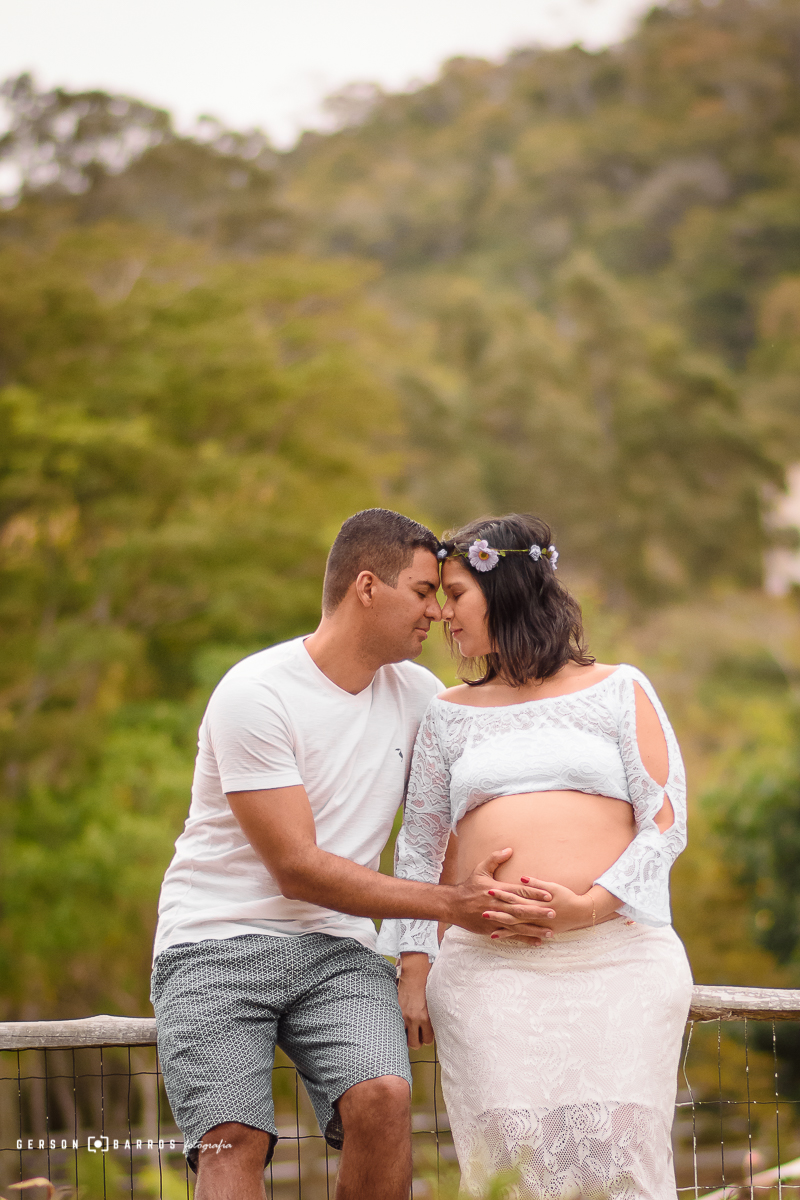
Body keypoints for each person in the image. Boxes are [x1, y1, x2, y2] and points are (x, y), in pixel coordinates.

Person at [150, 508, 554, 1200]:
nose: (437, 612)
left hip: (339, 950)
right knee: (233, 1139)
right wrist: (448, 905)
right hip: (212, 941)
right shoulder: (255, 693)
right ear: (367, 586)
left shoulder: (420, 696)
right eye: (422, 592)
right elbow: (296, 868)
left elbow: (449, 818)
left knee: (384, 1097)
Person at [378, 512, 693, 1200]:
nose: (442, 613)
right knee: (511, 1165)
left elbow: (666, 822)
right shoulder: (447, 713)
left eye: (455, 594)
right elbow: (420, 847)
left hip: (618, 960)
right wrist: (413, 963)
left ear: (507, 589)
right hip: (489, 975)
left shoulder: (620, 688)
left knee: (620, 1162)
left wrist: (590, 906)